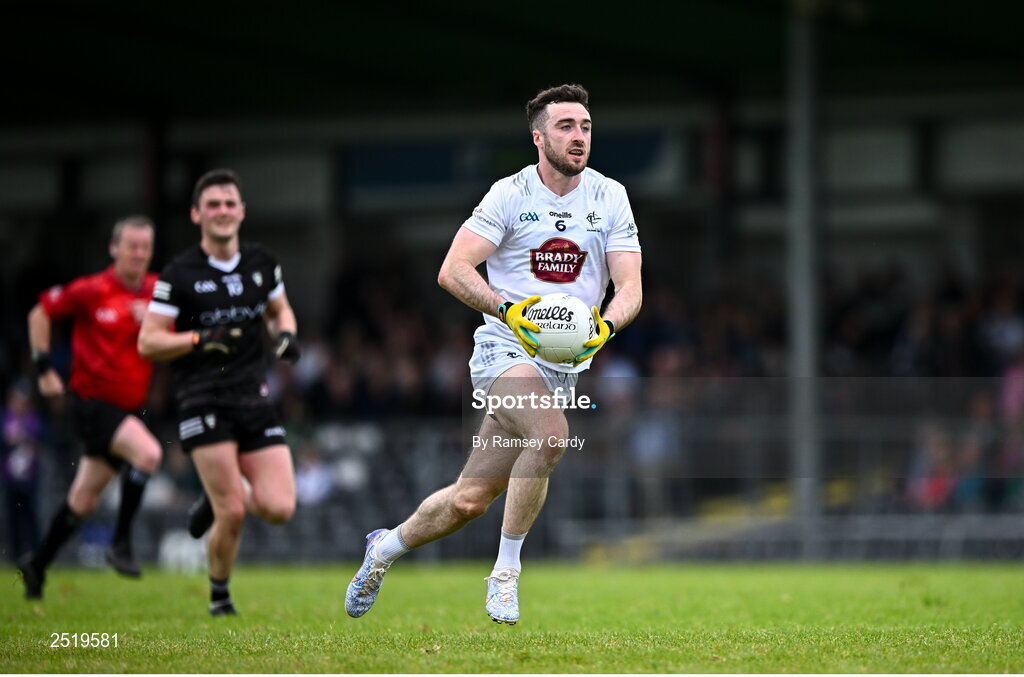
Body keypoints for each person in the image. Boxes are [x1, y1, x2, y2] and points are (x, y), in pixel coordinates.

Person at [345, 83, 643, 625]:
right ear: (538, 137)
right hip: (504, 350)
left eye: (586, 127)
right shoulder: (508, 194)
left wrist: (606, 325)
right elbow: (453, 270)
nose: (579, 137)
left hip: (565, 363)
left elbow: (630, 287)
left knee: (469, 500)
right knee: (551, 435)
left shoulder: (610, 196)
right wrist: (509, 313)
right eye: (565, 127)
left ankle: (383, 548)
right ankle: (505, 574)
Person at [137, 169, 300, 616]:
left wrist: (284, 336)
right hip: (202, 398)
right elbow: (148, 341)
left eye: (230, 203)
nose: (223, 211)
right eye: (213, 204)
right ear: (196, 214)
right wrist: (197, 340)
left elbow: (280, 310)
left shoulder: (262, 261)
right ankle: (220, 596)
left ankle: (213, 496)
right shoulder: (179, 272)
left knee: (280, 506)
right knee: (233, 511)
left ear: (242, 211)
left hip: (253, 395)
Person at [17, 216, 162, 599]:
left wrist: (155, 326)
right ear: (114, 248)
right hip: (92, 404)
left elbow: (178, 333)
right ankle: (122, 543)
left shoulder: (157, 291)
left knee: (82, 500)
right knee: (148, 453)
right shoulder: (91, 289)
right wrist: (45, 369)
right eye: (131, 246)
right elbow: (39, 314)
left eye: (145, 247)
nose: (138, 254)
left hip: (126, 409)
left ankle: (37, 563)